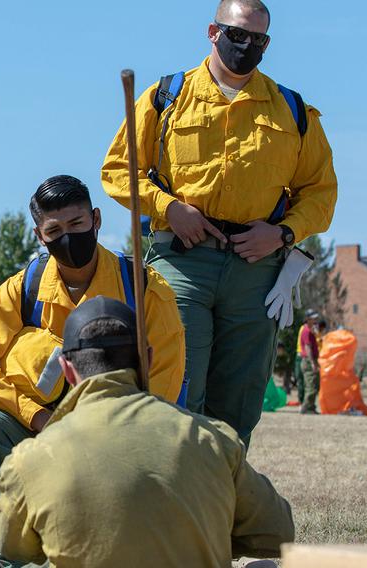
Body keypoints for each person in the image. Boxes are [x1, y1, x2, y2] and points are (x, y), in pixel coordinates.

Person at [100, 0, 337, 444]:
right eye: (237, 34)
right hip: (182, 262)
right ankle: (175, 500)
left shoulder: (293, 110)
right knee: (177, 386)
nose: (247, 46)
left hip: (255, 269)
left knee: (239, 399)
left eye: (259, 39)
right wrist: (170, 208)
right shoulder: (166, 96)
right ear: (213, 31)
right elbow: (118, 171)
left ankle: (223, 501)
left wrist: (283, 233)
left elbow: (321, 193)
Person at [0, 176, 185, 568]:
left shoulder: (146, 289)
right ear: (39, 235)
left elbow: (164, 381)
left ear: (96, 219)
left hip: (119, 429)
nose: (67, 237)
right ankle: (17, 557)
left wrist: (99, 433)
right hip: (39, 421)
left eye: (77, 224)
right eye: (54, 230)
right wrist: (37, 415)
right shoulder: (20, 290)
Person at [0, 297, 295, 568]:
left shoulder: (31, 459)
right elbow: (277, 532)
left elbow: (14, 546)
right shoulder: (213, 438)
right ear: (147, 359)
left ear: (67, 370)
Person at [297, 309, 321, 413]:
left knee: (315, 385)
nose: (316, 319)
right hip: (308, 360)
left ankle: (311, 408)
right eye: (313, 317)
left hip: (312, 360)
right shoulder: (306, 331)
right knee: (311, 386)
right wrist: (312, 363)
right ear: (308, 319)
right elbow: (308, 347)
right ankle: (305, 408)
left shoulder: (311, 330)